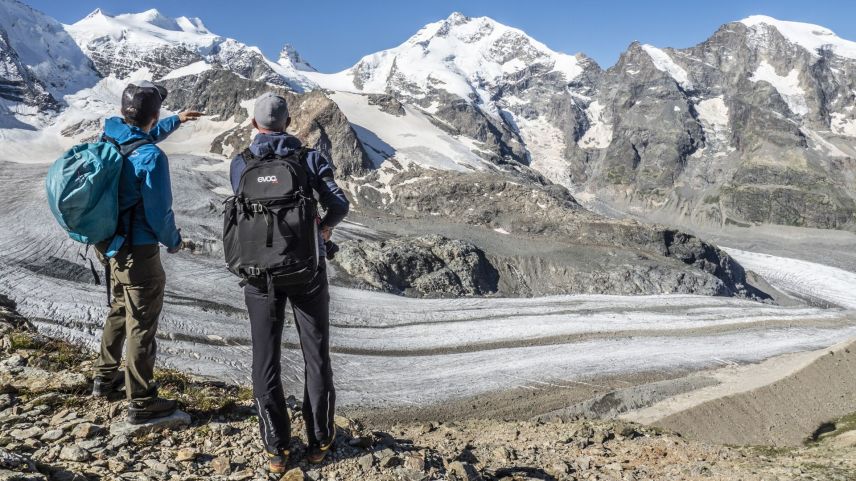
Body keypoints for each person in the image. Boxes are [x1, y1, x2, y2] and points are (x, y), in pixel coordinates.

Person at [229, 92, 349, 472]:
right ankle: (320, 440)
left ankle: (276, 448)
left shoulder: (240, 163)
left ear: (253, 125)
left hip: (258, 276)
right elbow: (339, 203)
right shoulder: (308, 158)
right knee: (317, 356)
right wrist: (324, 229)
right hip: (306, 271)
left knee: (265, 360)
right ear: (289, 122)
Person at [90, 80, 202, 425]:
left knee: (120, 308)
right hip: (138, 250)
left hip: (108, 244)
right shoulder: (151, 157)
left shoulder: (110, 137)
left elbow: (142, 137)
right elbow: (159, 213)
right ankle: (141, 399)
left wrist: (177, 120)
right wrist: (174, 241)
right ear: (154, 115)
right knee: (142, 321)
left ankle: (104, 378)